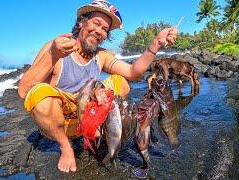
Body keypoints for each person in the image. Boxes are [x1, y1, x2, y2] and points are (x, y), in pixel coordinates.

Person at [18, 0, 178, 173]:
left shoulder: (101, 55)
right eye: (96, 23)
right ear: (81, 22)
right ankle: (66, 146)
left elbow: (133, 72)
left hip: (89, 116)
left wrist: (156, 43)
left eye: (105, 29)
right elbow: (25, 91)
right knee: (39, 95)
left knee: (121, 82)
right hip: (62, 120)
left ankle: (100, 132)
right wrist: (53, 55)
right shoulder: (56, 47)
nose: (99, 31)